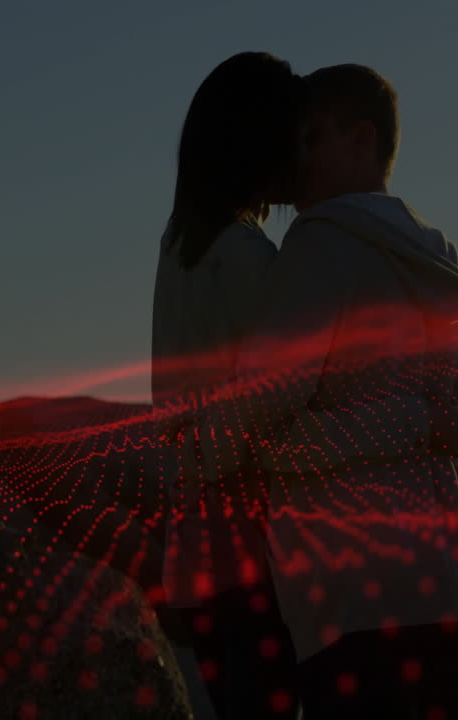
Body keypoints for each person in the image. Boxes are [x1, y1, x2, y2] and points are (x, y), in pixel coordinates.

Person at [183, 64, 458, 719]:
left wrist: (199, 457)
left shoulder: (321, 244)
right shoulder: (441, 261)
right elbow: (456, 425)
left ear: (362, 140)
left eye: (311, 139)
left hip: (361, 591)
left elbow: (256, 416)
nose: (293, 162)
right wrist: (412, 425)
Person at [151, 51, 304, 720]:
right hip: (254, 553)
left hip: (198, 555)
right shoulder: (248, 257)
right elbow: (275, 401)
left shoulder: (179, 248)